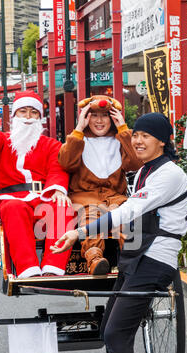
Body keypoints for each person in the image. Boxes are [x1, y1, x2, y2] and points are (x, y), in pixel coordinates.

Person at [51, 112, 187, 353]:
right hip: (135, 254)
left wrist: (81, 232)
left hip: (156, 258)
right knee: (106, 330)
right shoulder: (144, 169)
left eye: (146, 136)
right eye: (136, 134)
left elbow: (128, 212)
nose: (138, 141)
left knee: (116, 334)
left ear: (163, 140)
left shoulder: (169, 174)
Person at [0, 82, 72, 278]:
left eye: (33, 113)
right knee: (13, 208)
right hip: (12, 199)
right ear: (14, 117)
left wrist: (59, 190)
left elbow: (58, 169)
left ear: (39, 117)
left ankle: (53, 269)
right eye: (23, 112)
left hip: (43, 198)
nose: (28, 117)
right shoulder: (2, 141)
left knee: (63, 208)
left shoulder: (51, 144)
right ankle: (28, 269)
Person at [58, 95, 141, 275]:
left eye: (105, 115)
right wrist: (79, 128)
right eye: (93, 115)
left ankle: (132, 259)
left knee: (128, 218)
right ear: (86, 117)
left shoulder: (120, 140)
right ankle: (95, 259)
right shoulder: (78, 139)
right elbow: (66, 162)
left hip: (116, 198)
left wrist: (123, 129)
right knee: (91, 216)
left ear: (112, 118)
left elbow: (135, 163)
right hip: (85, 197)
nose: (99, 120)